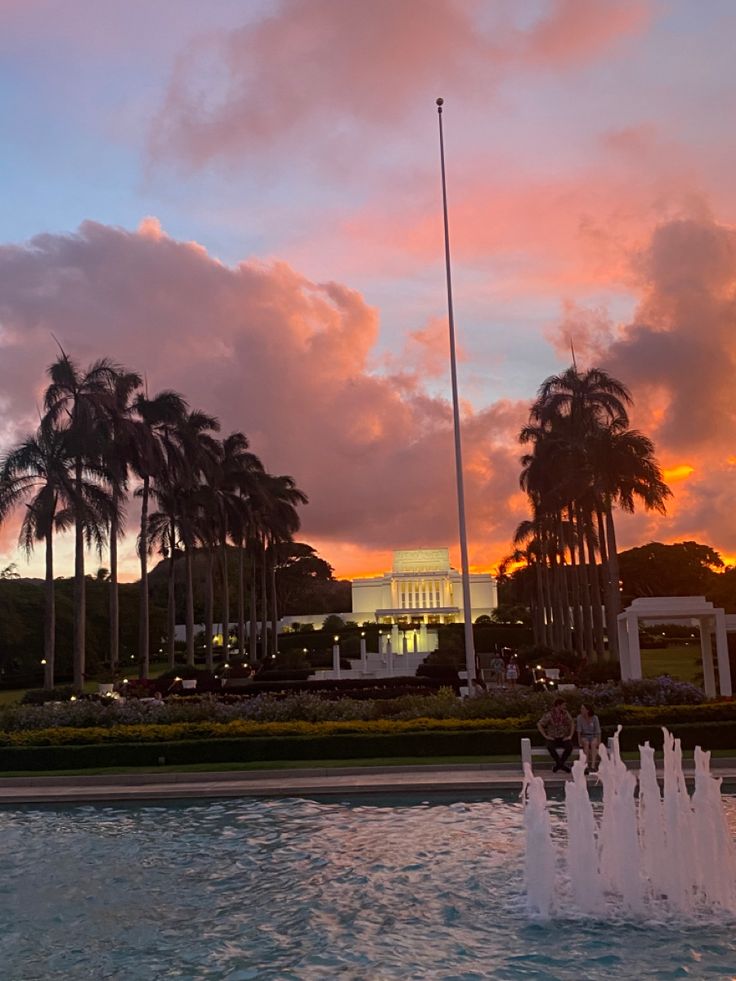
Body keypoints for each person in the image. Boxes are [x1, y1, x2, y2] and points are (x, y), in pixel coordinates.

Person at [537, 697, 575, 773]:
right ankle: (561, 765)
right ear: (558, 705)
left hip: (563, 737)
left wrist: (570, 736)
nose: (565, 707)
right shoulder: (549, 715)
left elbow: (572, 723)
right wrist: (545, 736)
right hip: (553, 738)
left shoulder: (565, 714)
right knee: (550, 747)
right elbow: (539, 724)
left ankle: (559, 765)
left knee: (569, 747)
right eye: (563, 705)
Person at [576, 702, 601, 774]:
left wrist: (599, 742)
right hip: (584, 736)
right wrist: (579, 742)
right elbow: (579, 731)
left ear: (587, 710)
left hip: (593, 735)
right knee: (586, 743)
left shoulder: (595, 718)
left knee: (593, 744)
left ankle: (593, 766)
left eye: (583, 708)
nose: (581, 710)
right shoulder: (579, 718)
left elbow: (598, 731)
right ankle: (586, 766)